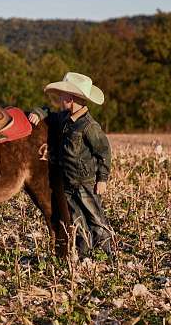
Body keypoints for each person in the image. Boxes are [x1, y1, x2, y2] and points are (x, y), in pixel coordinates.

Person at [28, 72, 113, 259]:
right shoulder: (65, 119)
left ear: (72, 98)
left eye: (63, 95)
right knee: (77, 220)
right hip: (69, 181)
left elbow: (104, 152)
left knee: (95, 218)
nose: (60, 99)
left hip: (86, 182)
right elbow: (48, 112)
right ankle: (84, 255)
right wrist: (38, 113)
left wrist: (103, 179)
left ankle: (107, 255)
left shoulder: (89, 126)